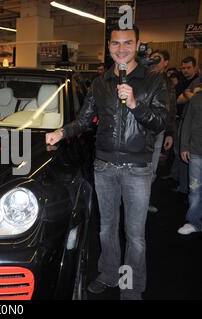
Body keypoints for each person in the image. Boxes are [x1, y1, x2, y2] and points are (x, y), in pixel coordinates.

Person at [45, 25, 168, 300]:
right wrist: (61, 133)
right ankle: (110, 274)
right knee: (106, 228)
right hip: (104, 167)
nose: (121, 48)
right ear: (109, 47)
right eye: (116, 43)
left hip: (137, 169)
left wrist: (135, 103)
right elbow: (84, 120)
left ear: (137, 45)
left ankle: (131, 287)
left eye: (127, 43)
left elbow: (162, 122)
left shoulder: (154, 81)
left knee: (134, 235)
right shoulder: (100, 83)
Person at [148, 50, 177, 213]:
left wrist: (170, 133)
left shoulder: (168, 83)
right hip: (140, 131)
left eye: (158, 59)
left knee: (152, 171)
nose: (154, 61)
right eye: (152, 58)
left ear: (166, 62)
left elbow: (171, 109)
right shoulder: (142, 77)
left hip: (158, 132)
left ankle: (143, 202)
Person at [171, 57, 200, 194]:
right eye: (183, 68)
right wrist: (192, 94)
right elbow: (178, 99)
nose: (185, 70)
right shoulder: (183, 81)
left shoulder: (198, 80)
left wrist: (190, 95)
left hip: (195, 123)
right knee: (181, 153)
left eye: (188, 67)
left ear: (195, 67)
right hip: (182, 121)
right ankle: (183, 187)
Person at [178, 83, 202, 235]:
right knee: (195, 188)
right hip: (196, 150)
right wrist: (184, 146)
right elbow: (186, 124)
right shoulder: (197, 98)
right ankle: (194, 221)